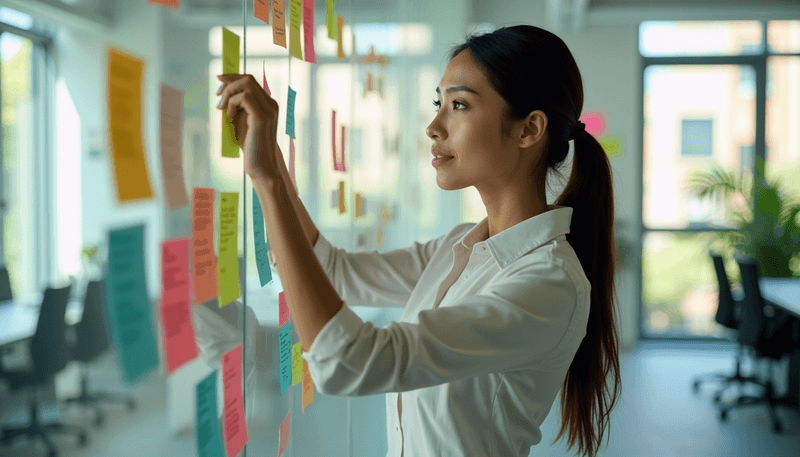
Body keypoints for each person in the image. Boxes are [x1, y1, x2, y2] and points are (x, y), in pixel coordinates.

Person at [215, 23, 620, 457]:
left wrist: (269, 180)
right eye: (438, 103)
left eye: (459, 105)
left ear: (528, 130)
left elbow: (350, 362)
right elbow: (335, 273)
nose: (433, 126)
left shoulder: (549, 283)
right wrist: (270, 155)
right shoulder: (460, 246)